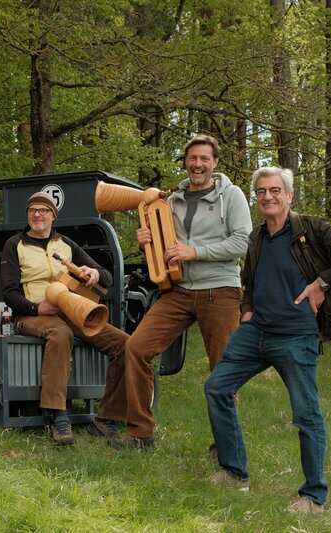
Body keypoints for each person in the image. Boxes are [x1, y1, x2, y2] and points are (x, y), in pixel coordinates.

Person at [205, 167, 331, 513]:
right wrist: (247, 310)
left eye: (275, 191)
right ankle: (235, 472)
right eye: (261, 192)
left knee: (306, 415)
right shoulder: (255, 237)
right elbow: (248, 282)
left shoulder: (312, 229)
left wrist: (321, 283)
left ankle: (314, 496)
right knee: (217, 387)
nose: (267, 197)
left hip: (296, 337)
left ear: (289, 196)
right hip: (255, 333)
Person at [125, 134, 252, 449]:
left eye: (204, 159)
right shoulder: (172, 200)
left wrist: (195, 251)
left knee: (223, 370)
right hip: (178, 292)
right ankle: (141, 433)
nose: (198, 164)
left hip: (220, 291)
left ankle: (224, 446)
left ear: (215, 162)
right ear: (186, 161)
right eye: (193, 158)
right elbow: (166, 249)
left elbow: (244, 242)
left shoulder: (232, 195)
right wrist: (146, 240)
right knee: (136, 348)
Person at [0, 192, 129, 447]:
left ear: (53, 216)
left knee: (126, 345)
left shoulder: (67, 244)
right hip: (30, 316)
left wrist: (94, 272)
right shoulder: (14, 244)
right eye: (32, 210)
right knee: (60, 334)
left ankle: (107, 417)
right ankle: (57, 415)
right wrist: (37, 308)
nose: (37, 214)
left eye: (43, 210)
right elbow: (9, 293)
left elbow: (107, 278)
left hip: (73, 312)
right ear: (27, 215)